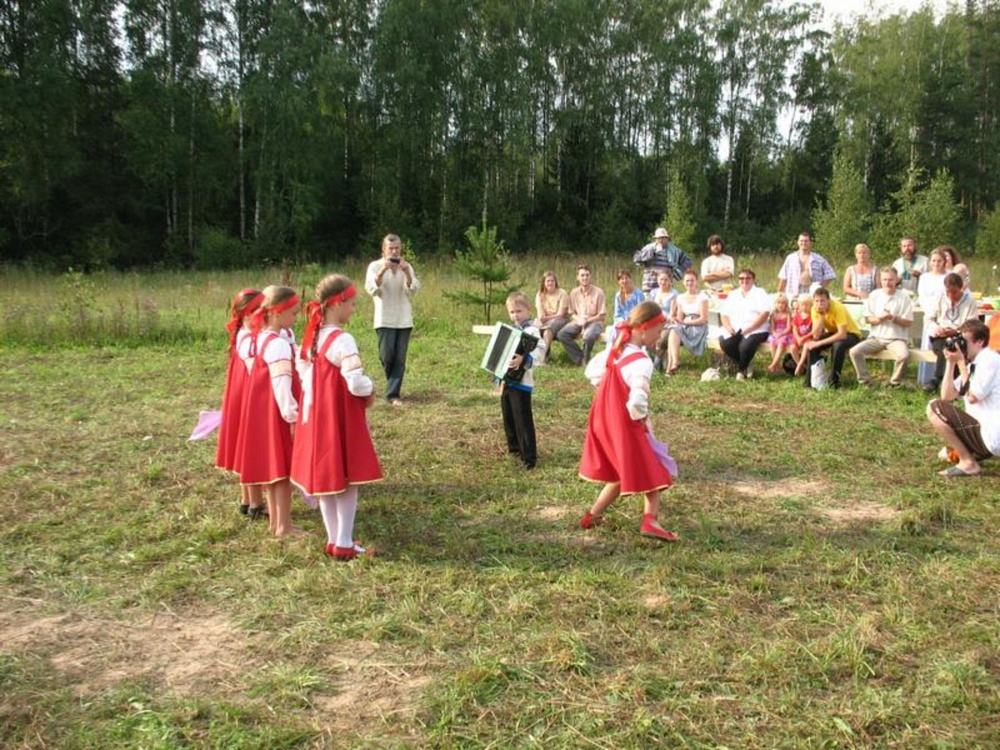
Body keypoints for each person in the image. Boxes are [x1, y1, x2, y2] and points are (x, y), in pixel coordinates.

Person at [291, 275, 382, 560]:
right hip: (339, 416)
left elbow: (303, 372)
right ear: (339, 303)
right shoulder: (342, 339)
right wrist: (371, 387)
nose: (354, 310)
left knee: (326, 480)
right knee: (347, 478)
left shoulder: (313, 336)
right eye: (352, 304)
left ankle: (334, 539)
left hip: (316, 415)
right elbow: (355, 382)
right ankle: (344, 541)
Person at [578, 301, 678, 543]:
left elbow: (593, 373)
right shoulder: (642, 362)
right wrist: (640, 419)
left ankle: (593, 516)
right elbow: (637, 399)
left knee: (622, 472)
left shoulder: (617, 349)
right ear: (643, 329)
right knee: (654, 468)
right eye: (657, 331)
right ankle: (650, 521)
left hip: (604, 419)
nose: (659, 336)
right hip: (625, 424)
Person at [235, 285, 302, 537]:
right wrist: (292, 417)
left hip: (264, 412)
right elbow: (282, 386)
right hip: (278, 413)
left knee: (274, 472)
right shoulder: (278, 345)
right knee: (282, 472)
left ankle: (277, 523)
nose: (296, 318)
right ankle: (283, 526)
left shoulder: (260, 338)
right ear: (277, 313)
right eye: (293, 313)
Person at [216, 288, 267, 519]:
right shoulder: (248, 339)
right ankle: (255, 503)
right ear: (248, 314)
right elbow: (258, 367)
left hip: (242, 396)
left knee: (246, 447)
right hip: (249, 399)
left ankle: (247, 500)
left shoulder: (244, 335)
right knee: (252, 448)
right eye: (261, 310)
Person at [926, 319, 1000, 477]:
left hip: (993, 434)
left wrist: (960, 361)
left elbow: (973, 396)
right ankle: (969, 454)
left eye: (964, 341)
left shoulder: (990, 360)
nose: (960, 346)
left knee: (934, 407)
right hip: (985, 432)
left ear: (979, 342)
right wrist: (950, 363)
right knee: (945, 453)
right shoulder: (975, 362)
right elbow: (947, 396)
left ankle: (968, 463)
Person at [364, 233, 420, 405]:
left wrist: (406, 274)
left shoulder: (407, 266)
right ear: (384, 250)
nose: (394, 252)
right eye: (391, 248)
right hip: (384, 318)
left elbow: (413, 290)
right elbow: (372, 289)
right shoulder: (374, 266)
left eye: (397, 248)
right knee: (386, 355)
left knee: (400, 358)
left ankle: (393, 394)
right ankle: (392, 385)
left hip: (403, 318)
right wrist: (383, 271)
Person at [498, 292, 546, 469]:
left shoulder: (532, 331)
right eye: (511, 312)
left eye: (519, 311)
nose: (515, 315)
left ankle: (529, 458)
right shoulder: (510, 331)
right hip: (508, 382)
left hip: (523, 383)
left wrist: (524, 359)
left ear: (528, 310)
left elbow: (540, 350)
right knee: (509, 416)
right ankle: (514, 449)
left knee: (522, 419)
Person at [849, 267, 914, 387]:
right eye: (884, 280)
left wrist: (893, 318)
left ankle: (894, 383)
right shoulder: (874, 295)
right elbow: (867, 319)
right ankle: (865, 381)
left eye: (890, 280)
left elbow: (909, 322)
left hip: (896, 338)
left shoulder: (904, 297)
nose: (887, 283)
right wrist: (880, 319)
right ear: (880, 279)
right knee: (854, 351)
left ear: (896, 280)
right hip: (876, 338)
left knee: (904, 355)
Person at [924, 272, 980, 393]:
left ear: (960, 288)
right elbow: (929, 319)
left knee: (953, 345)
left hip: (960, 335)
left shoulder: (969, 301)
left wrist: (956, 330)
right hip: (940, 334)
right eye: (948, 292)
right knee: (946, 345)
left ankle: (938, 378)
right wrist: (937, 328)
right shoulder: (939, 298)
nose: (951, 295)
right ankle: (946, 381)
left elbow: (973, 323)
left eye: (954, 292)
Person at [796, 286, 862, 389]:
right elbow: (816, 335)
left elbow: (842, 334)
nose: (819, 304)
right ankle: (809, 383)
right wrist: (821, 317)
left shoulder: (837, 307)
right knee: (813, 346)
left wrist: (819, 343)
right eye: (817, 301)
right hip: (834, 333)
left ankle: (834, 383)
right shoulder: (814, 309)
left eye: (822, 301)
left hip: (851, 334)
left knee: (837, 345)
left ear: (828, 300)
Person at [718, 268, 771, 380]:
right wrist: (728, 327)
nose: (744, 280)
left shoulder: (760, 292)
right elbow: (724, 314)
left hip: (757, 328)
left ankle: (741, 372)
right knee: (725, 343)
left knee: (745, 346)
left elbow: (765, 314)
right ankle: (745, 364)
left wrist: (751, 328)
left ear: (753, 280)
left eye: (748, 278)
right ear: (738, 280)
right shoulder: (733, 294)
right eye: (741, 278)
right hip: (736, 327)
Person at [662, 269, 709, 376]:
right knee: (674, 330)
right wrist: (676, 319)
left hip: (698, 326)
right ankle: (674, 362)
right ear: (683, 282)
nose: (689, 283)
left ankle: (670, 368)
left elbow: (704, 319)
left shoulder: (702, 296)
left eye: (692, 280)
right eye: (687, 281)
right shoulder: (680, 297)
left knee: (675, 331)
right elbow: (680, 317)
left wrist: (686, 323)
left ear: (696, 281)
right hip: (685, 324)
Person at [557, 264, 606, 365]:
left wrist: (587, 320)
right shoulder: (574, 292)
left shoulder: (598, 292)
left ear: (591, 276)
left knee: (588, 336)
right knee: (562, 334)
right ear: (578, 277)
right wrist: (579, 320)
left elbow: (602, 316)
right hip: (578, 321)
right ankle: (580, 358)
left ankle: (586, 359)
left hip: (594, 322)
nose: (585, 278)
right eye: (582, 275)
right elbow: (571, 312)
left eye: (587, 275)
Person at [917, 248, 949, 387]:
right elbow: (922, 296)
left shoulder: (949, 276)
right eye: (934, 260)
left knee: (943, 345)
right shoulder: (925, 277)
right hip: (929, 313)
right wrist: (930, 312)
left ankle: (942, 378)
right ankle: (926, 378)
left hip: (945, 314)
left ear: (944, 262)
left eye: (939, 261)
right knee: (928, 345)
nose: (936, 263)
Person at [633, 227, 693, 295]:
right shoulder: (648, 248)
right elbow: (636, 258)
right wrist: (649, 255)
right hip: (649, 287)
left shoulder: (674, 250)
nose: (661, 240)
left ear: (667, 238)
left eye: (663, 238)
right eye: (659, 238)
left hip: (667, 289)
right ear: (655, 239)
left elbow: (688, 261)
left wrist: (678, 272)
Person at [777, 231, 836, 298]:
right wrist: (779, 293)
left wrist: (820, 287)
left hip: (812, 292)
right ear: (798, 242)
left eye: (806, 241)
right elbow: (783, 277)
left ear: (810, 243)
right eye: (801, 241)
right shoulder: (790, 258)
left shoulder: (818, 259)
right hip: (794, 292)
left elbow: (831, 274)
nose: (803, 243)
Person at [535, 271, 570, 363]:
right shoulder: (540, 294)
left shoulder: (562, 293)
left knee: (547, 330)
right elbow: (540, 313)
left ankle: (542, 358)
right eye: (548, 281)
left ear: (556, 282)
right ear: (544, 283)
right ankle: (535, 356)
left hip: (561, 319)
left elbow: (561, 314)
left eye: (552, 281)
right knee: (533, 328)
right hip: (546, 319)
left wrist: (545, 318)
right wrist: (541, 318)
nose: (550, 283)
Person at [765, 294, 793, 373]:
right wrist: (775, 333)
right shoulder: (773, 315)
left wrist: (781, 334)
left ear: (786, 304)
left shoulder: (787, 314)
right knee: (772, 342)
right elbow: (772, 328)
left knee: (781, 343)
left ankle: (773, 365)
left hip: (785, 333)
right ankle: (777, 365)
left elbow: (788, 328)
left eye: (782, 303)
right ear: (775, 304)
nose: (780, 305)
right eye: (778, 303)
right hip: (776, 333)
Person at [790, 293, 814, 375]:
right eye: (802, 304)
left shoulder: (812, 316)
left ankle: (800, 365)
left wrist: (803, 338)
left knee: (806, 347)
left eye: (807, 305)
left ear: (811, 305)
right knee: (792, 347)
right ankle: (801, 365)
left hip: (808, 337)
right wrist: (798, 338)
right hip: (798, 337)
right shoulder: (797, 316)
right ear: (799, 305)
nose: (804, 306)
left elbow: (813, 331)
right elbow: (794, 328)